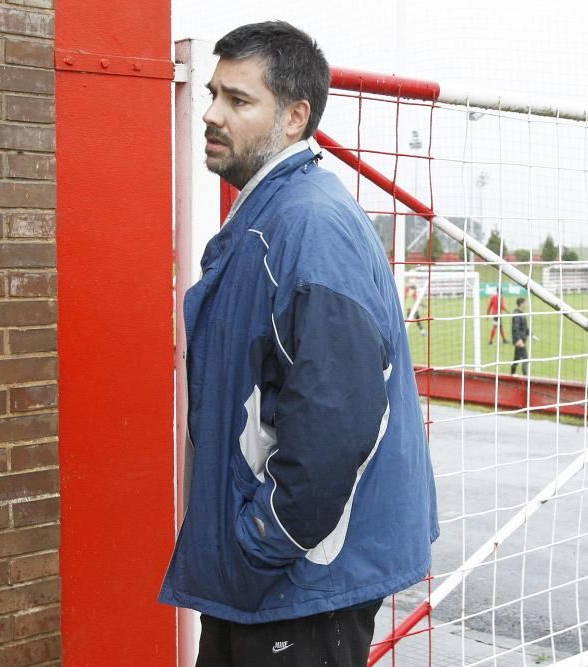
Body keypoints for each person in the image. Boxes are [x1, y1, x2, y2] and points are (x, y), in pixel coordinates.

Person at [158, 22, 439, 667]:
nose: (210, 113)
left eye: (238, 100)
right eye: (212, 94)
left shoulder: (308, 226)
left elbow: (337, 423)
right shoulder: (270, 215)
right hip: (269, 578)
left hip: (301, 579)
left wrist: (261, 538)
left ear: (295, 117)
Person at [510, 297, 530, 375]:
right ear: (521, 304)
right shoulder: (517, 314)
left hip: (522, 339)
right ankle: (526, 377)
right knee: (525, 359)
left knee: (516, 358)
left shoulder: (521, 313)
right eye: (525, 303)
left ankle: (512, 373)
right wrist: (518, 340)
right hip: (519, 340)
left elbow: (524, 327)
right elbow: (515, 328)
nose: (526, 304)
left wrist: (531, 334)